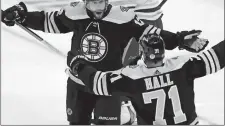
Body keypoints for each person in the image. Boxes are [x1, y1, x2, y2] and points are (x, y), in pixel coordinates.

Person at [1, 0, 209, 125]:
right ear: (85, 1)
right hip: (78, 81)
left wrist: (179, 39)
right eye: (93, 2)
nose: (98, 7)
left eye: (101, 1)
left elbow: (149, 32)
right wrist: (22, 15)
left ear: (107, 0)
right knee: (77, 122)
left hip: (108, 84)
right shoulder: (75, 12)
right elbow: (49, 21)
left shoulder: (122, 17)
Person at [70, 33, 223, 125]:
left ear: (143, 54)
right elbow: (218, 56)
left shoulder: (132, 77)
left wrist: (78, 65)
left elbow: (97, 83)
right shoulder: (183, 66)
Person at [100, 0, 163, 66]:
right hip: (153, 19)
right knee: (151, 70)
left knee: (122, 71)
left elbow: (121, 6)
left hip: (135, 24)